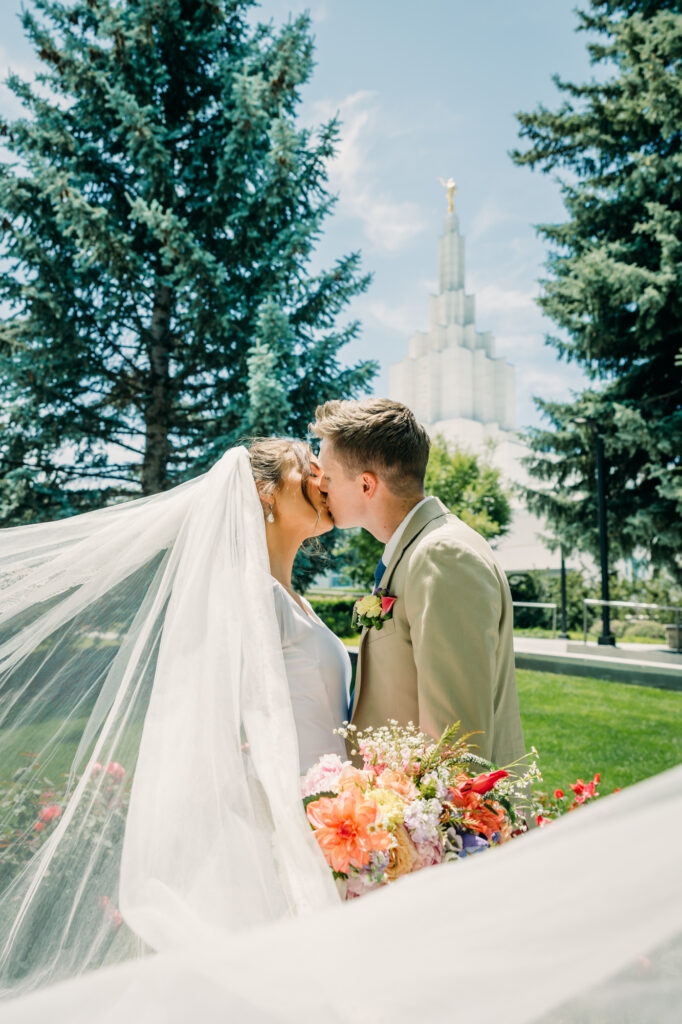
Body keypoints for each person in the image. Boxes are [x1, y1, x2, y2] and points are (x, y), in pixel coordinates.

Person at [313, 397, 526, 770]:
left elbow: (457, 744)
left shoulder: (441, 555)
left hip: (431, 824)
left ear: (366, 485)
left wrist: (438, 828)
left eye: (328, 478)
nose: (322, 488)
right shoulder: (418, 549)